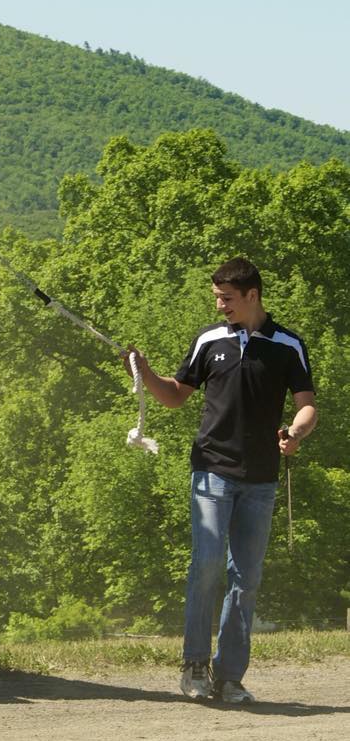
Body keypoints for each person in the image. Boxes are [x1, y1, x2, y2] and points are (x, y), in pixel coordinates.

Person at [127, 257, 317, 704]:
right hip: (211, 470)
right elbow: (175, 396)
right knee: (208, 565)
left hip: (261, 479)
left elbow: (307, 404)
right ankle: (194, 665)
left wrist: (295, 432)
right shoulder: (209, 340)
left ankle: (229, 676)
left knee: (245, 577)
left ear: (252, 296)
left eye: (226, 298)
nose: (220, 306)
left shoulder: (289, 345)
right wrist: (145, 372)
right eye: (216, 297)